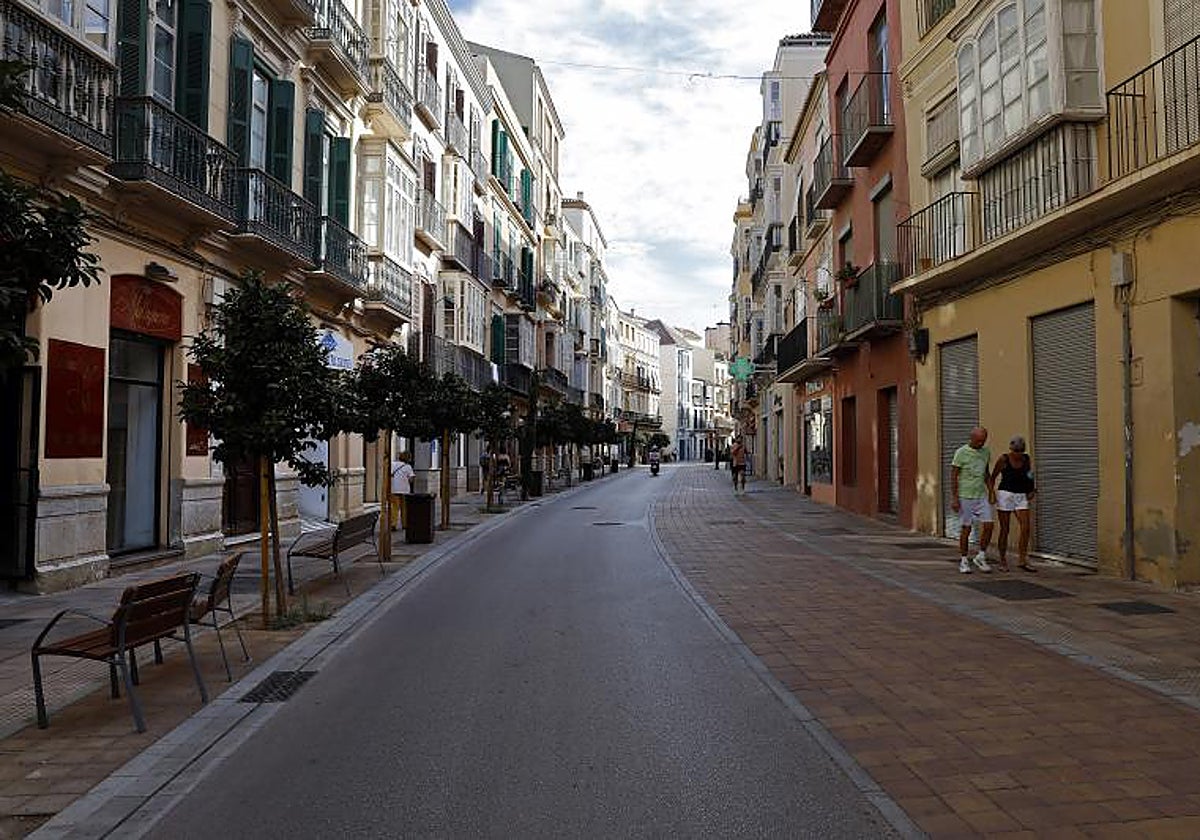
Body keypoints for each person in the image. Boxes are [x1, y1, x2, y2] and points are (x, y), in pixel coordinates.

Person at [950, 426, 994, 573]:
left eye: (983, 441)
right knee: (966, 528)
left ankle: (981, 556)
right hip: (965, 495)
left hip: (981, 495)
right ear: (972, 438)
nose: (981, 443)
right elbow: (954, 476)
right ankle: (964, 560)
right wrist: (955, 497)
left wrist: (991, 491)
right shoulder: (961, 453)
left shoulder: (986, 452)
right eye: (978, 441)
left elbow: (986, 473)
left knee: (989, 525)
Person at [991, 435, 1037, 573]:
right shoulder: (1003, 459)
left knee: (1026, 527)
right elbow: (993, 476)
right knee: (1005, 529)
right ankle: (1002, 560)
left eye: (1020, 451)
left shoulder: (1026, 459)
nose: (1018, 454)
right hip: (1006, 494)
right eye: (1016, 451)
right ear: (1011, 449)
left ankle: (1022, 558)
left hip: (1021, 495)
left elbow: (1029, 475)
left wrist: (1031, 489)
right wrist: (992, 493)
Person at [389, 451, 415, 531]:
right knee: (404, 508)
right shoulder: (408, 467)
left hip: (394, 489)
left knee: (394, 507)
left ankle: (393, 524)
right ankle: (404, 524)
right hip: (404, 490)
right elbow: (411, 479)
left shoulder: (393, 464)